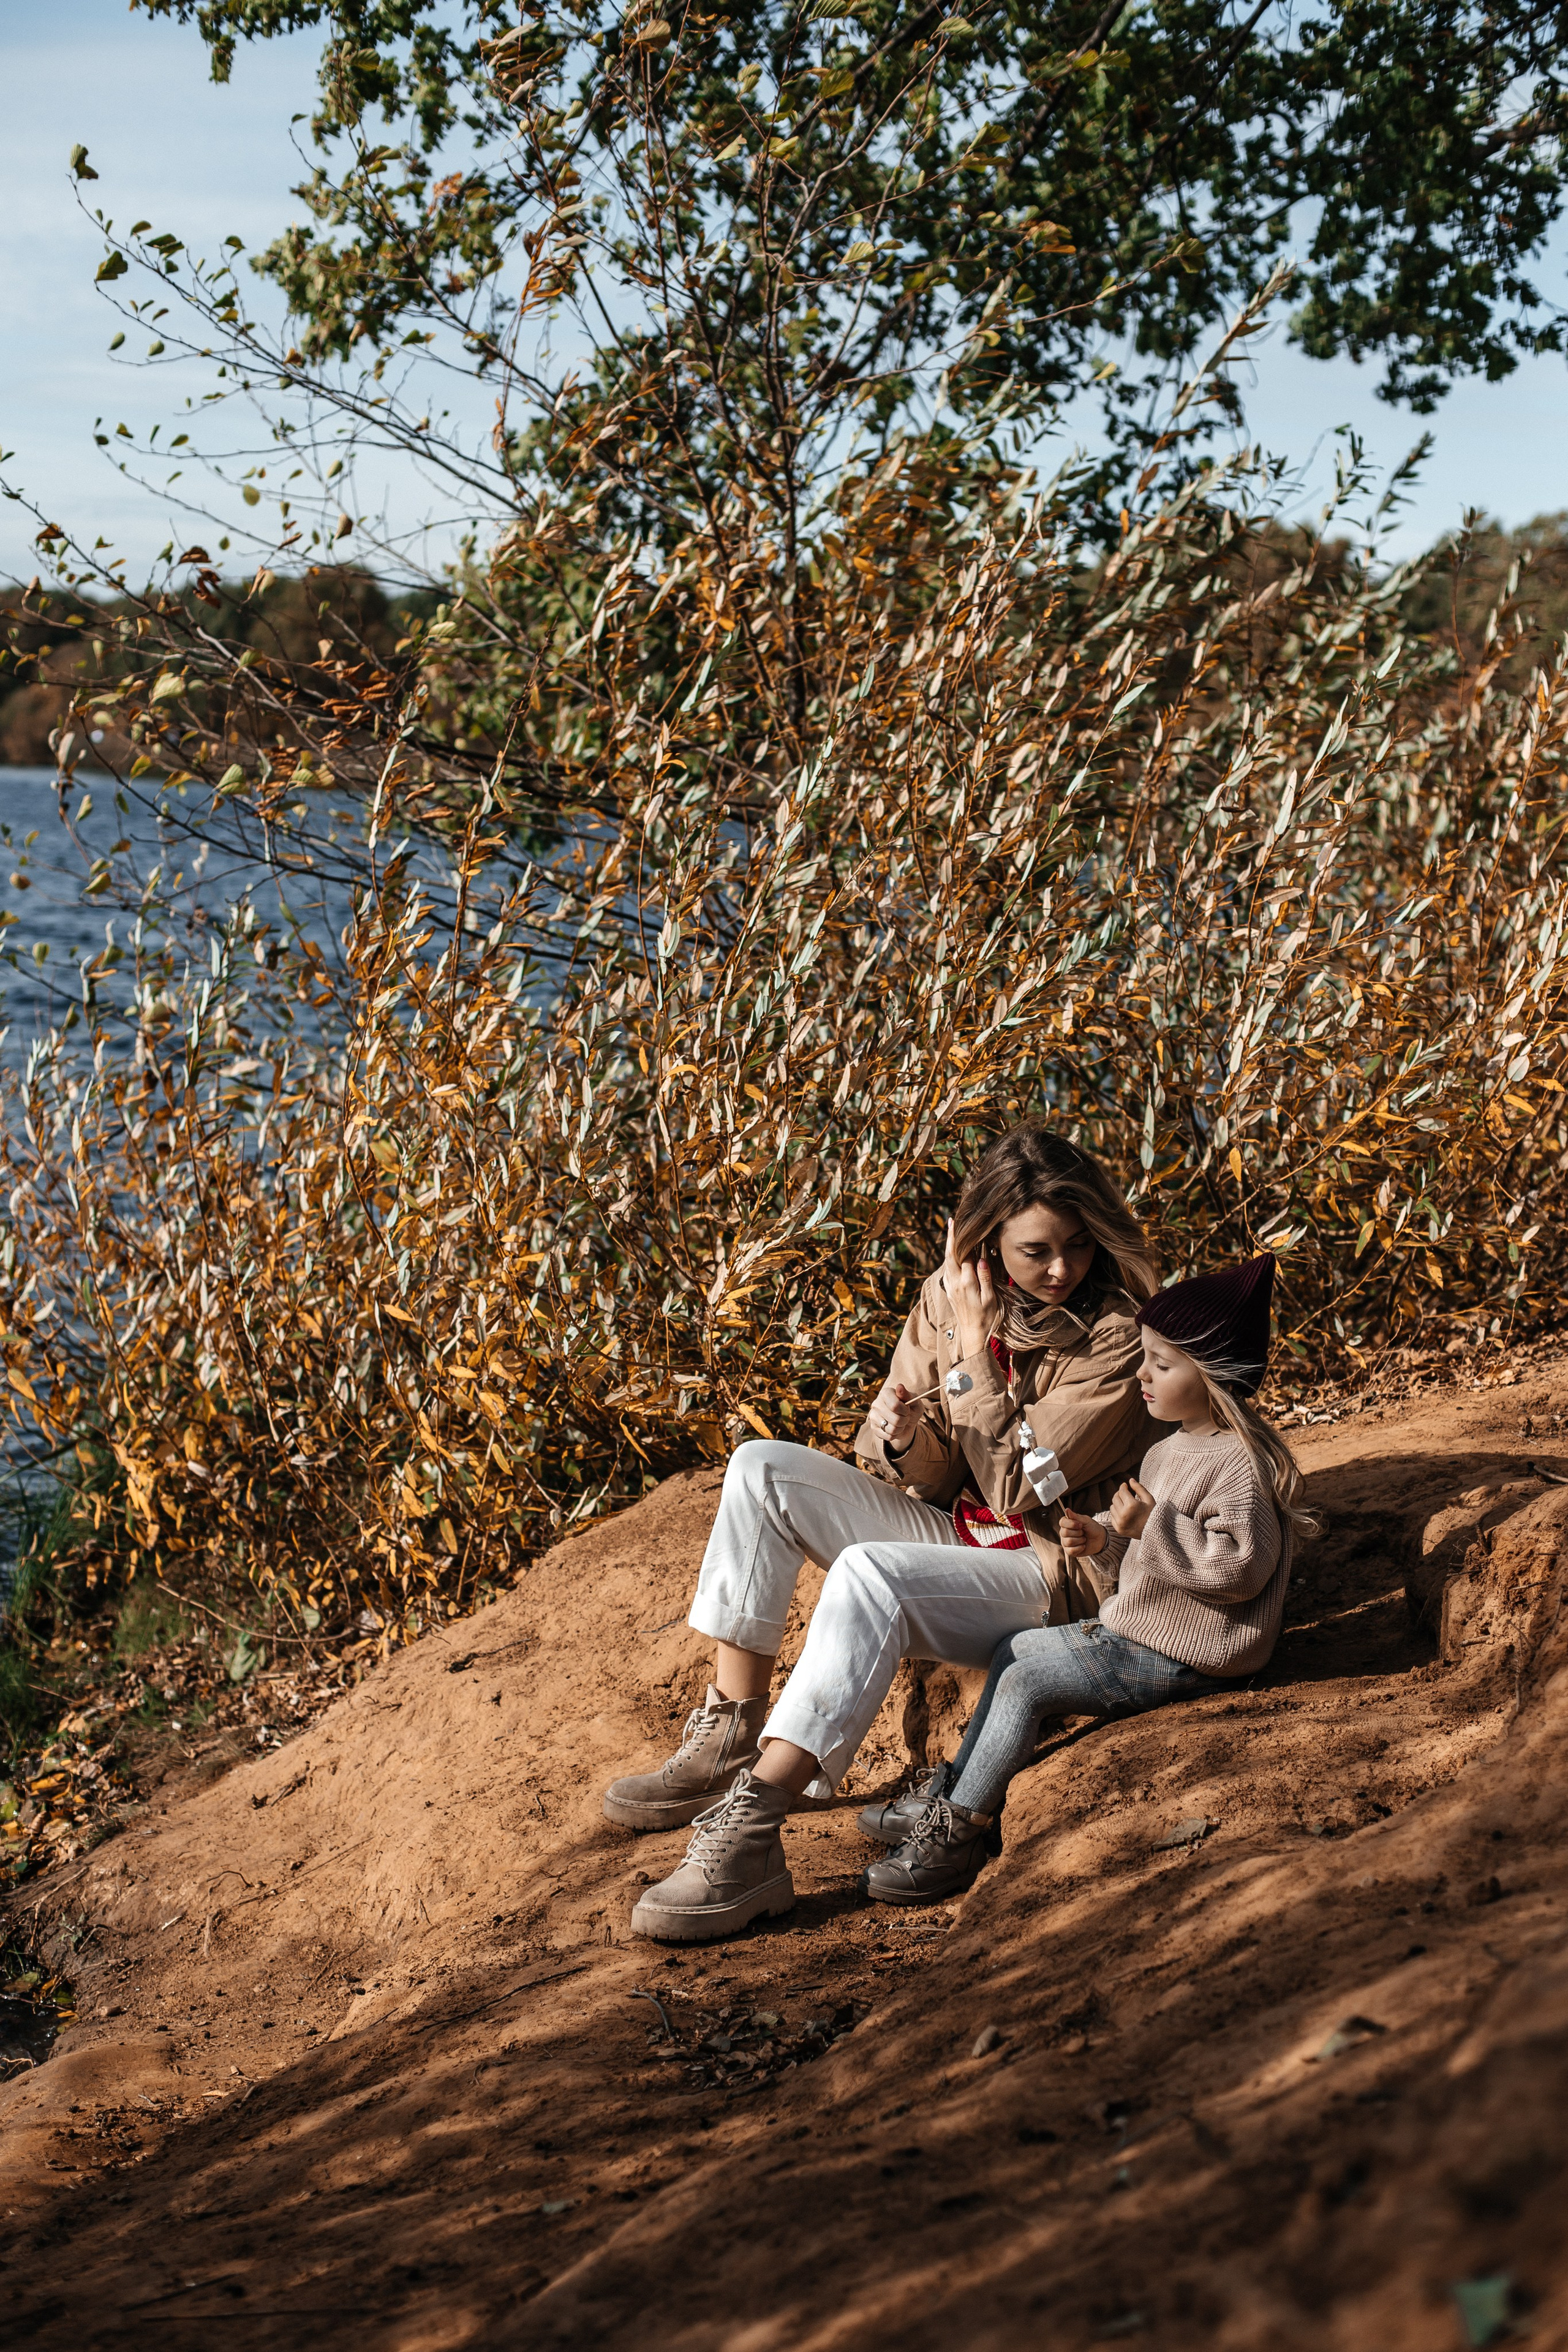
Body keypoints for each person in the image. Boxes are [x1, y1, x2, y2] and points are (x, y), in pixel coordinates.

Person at [604, 1122, 1165, 1943]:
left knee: (868, 1571)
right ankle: (729, 1732)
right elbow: (932, 1477)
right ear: (984, 1246)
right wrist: (901, 1433)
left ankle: (754, 1831)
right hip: (962, 1534)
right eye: (1035, 1252)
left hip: (1055, 1570)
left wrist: (973, 1355)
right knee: (761, 1466)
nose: (1060, 1270)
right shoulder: (948, 1298)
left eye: (1077, 1247)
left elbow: (1016, 1488)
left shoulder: (1118, 1332)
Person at [861, 1252, 1316, 1905]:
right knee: (1011, 1651)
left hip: (1192, 1656)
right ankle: (953, 1788)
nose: (1142, 1375)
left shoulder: (1239, 1465)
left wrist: (1149, 1525)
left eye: (1161, 1364)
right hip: (1144, 1634)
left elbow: (1237, 1569)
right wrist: (1104, 1541)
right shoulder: (1167, 1448)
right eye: (1143, 1358)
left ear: (1215, 1376)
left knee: (1026, 1682)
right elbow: (1147, 1560)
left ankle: (957, 1836)